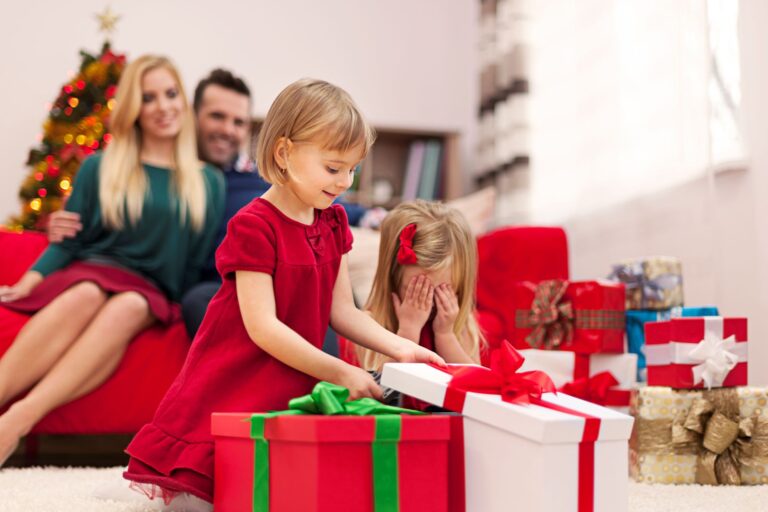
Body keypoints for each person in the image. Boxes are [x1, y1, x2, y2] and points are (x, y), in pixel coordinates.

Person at [121, 78, 444, 511]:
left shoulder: (332, 223)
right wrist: (340, 371)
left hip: (293, 372)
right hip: (237, 375)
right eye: (333, 168)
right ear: (284, 153)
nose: (344, 181)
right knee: (208, 489)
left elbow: (344, 312)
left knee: (285, 488)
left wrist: (402, 348)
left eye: (352, 169)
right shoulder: (254, 224)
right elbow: (264, 328)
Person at [0, 55, 225, 467]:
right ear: (133, 109)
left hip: (152, 292)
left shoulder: (207, 182)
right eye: (148, 97)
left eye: (171, 94)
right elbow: (70, 242)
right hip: (93, 271)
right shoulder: (100, 167)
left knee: (130, 305)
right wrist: (30, 281)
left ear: (183, 102)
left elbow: (196, 265)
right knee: (85, 292)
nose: (163, 106)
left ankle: (16, 420)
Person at [49, 68, 385, 339]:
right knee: (203, 301)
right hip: (211, 282)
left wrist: (370, 215)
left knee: (312, 295)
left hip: (282, 275)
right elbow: (123, 219)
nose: (228, 129)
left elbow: (314, 197)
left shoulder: (258, 179)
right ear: (193, 116)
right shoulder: (171, 177)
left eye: (238, 122)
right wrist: (64, 225)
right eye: (217, 116)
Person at [341, 200, 485, 375]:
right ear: (392, 279)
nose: (426, 303)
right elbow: (382, 389)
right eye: (416, 290)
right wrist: (408, 331)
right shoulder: (371, 325)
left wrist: (445, 335)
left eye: (441, 291)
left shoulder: (460, 324)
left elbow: (474, 383)